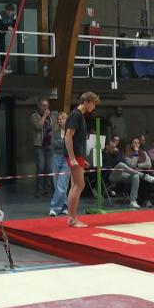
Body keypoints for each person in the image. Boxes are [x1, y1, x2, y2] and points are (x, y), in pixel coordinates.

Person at [64, 92, 99, 227]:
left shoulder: (79, 115)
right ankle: (72, 219)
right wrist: (73, 158)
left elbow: (76, 139)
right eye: (93, 103)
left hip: (78, 155)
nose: (94, 107)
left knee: (75, 185)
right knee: (79, 185)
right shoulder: (76, 115)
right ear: (86, 102)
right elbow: (68, 136)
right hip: (75, 155)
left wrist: (82, 158)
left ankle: (71, 218)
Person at [31, 99, 57, 198]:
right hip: (39, 146)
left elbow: (55, 128)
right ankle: (39, 190)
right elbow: (38, 126)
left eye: (46, 105)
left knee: (49, 169)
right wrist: (45, 116)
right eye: (43, 105)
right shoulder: (34, 116)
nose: (45, 107)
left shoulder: (52, 116)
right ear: (39, 106)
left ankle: (48, 190)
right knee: (41, 168)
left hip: (50, 145)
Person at [47, 112, 72, 216]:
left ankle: (54, 208)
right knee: (57, 184)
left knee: (62, 184)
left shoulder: (70, 131)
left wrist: (62, 142)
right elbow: (53, 144)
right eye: (59, 119)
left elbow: (71, 144)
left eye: (63, 119)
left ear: (67, 120)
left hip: (67, 158)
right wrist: (65, 142)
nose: (61, 121)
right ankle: (64, 206)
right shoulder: (54, 132)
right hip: (56, 158)